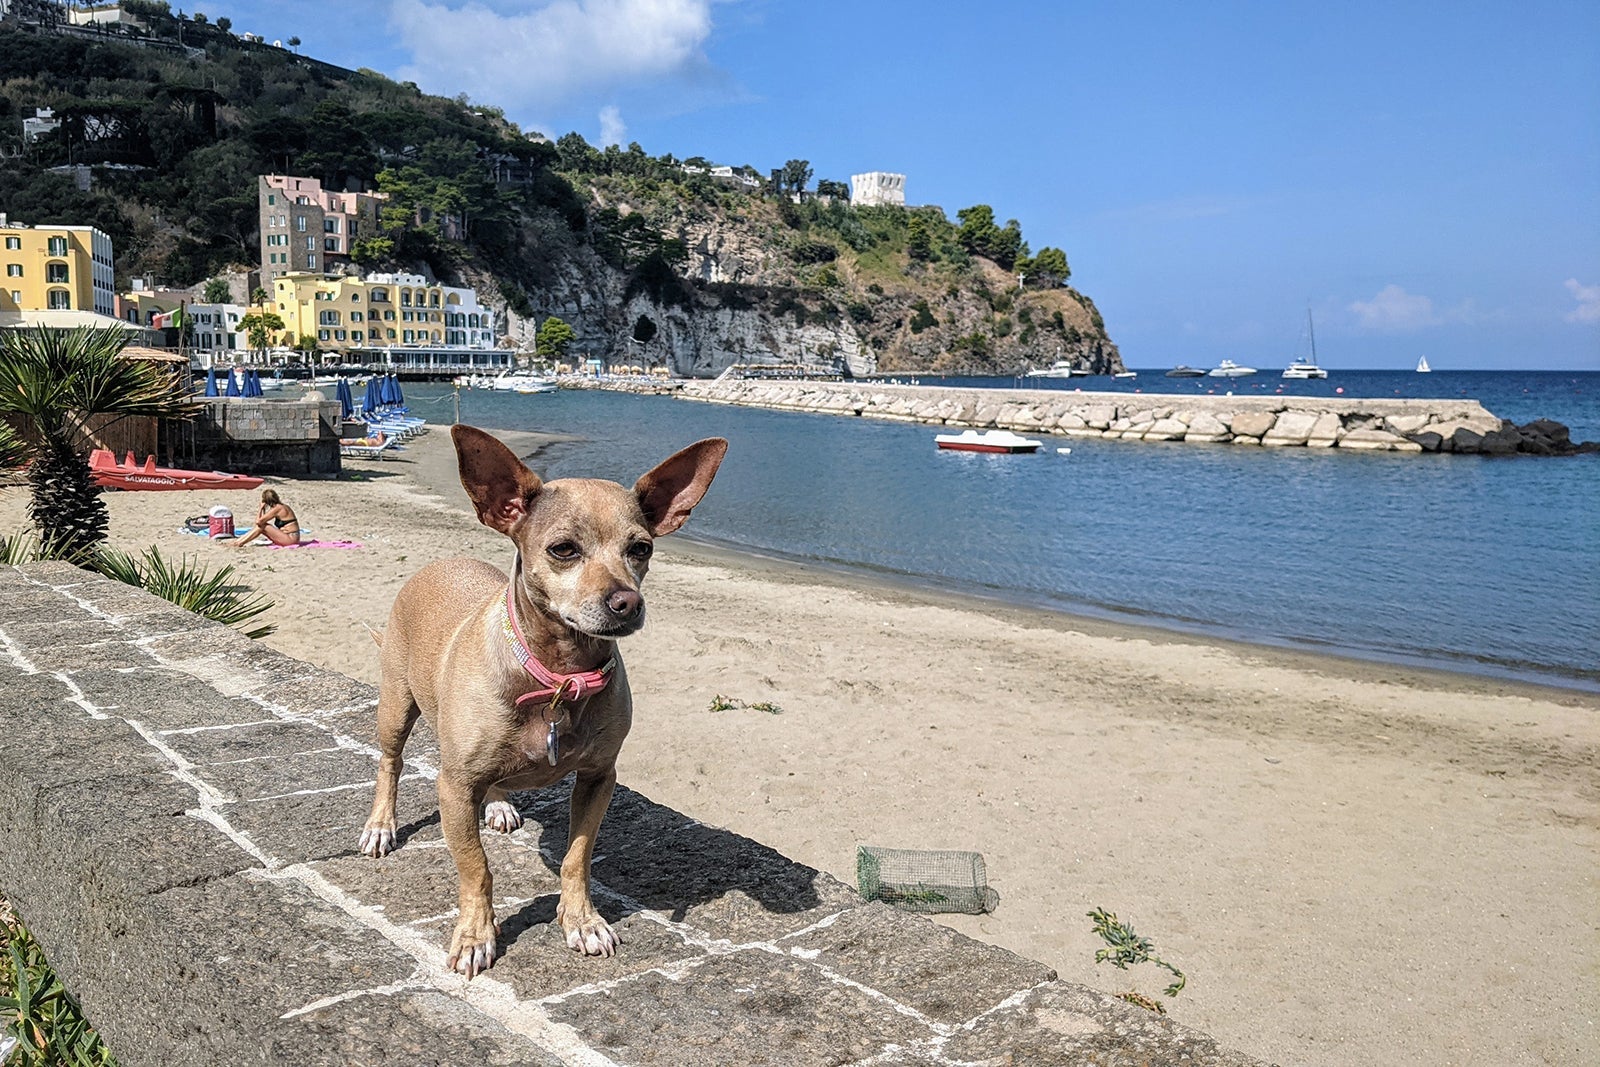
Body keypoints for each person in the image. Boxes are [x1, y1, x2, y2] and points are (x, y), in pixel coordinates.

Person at [232, 488, 301, 547]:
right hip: (290, 537)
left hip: (290, 539)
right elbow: (260, 521)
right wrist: (263, 510)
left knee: (263, 526)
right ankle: (238, 541)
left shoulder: (277, 509)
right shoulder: (282, 506)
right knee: (261, 526)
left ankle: (240, 542)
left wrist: (261, 508)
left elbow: (258, 521)